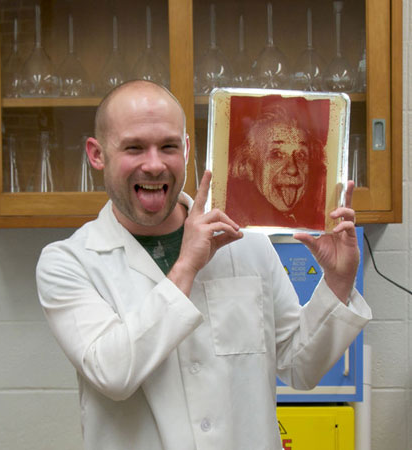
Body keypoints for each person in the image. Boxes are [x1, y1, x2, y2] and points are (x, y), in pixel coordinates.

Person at [36, 80, 371, 450]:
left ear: (188, 149)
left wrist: (339, 283)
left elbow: (299, 367)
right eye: (134, 148)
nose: (154, 164)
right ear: (97, 155)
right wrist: (187, 266)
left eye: (168, 146)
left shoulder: (247, 242)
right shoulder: (69, 262)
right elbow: (113, 373)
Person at [227, 100, 327, 230]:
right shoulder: (236, 225)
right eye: (276, 154)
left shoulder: (311, 223)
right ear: (248, 166)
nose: (292, 169)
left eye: (301, 155)